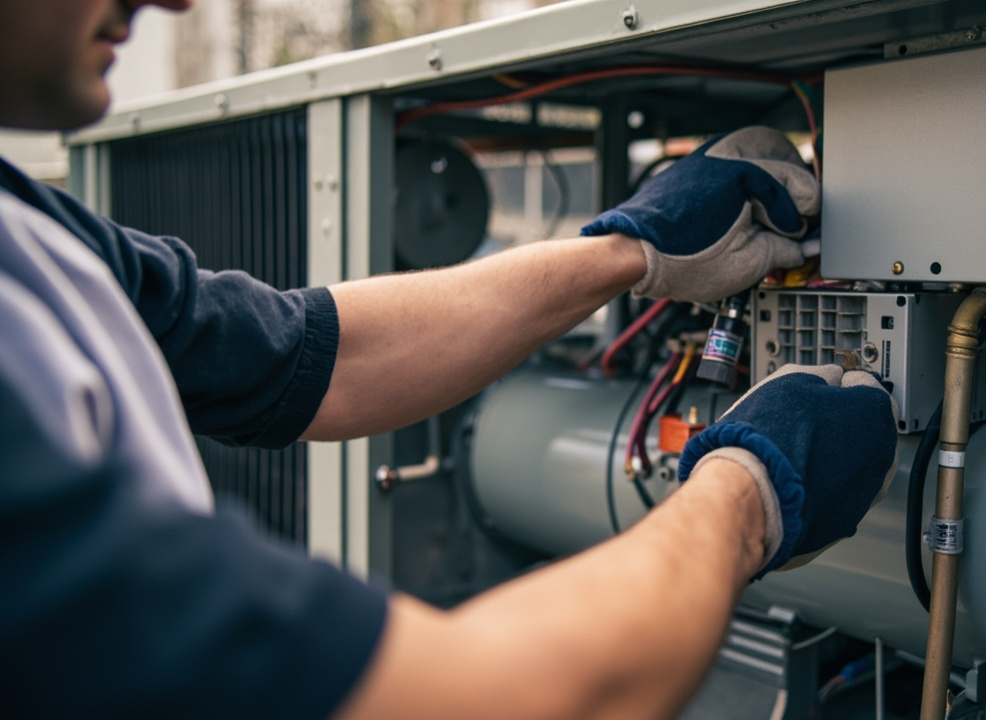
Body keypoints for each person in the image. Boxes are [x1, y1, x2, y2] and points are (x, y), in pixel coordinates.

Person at [0, 1, 899, 719]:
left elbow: (313, 353)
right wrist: (749, 491)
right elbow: (493, 697)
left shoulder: (32, 233)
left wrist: (633, 250)